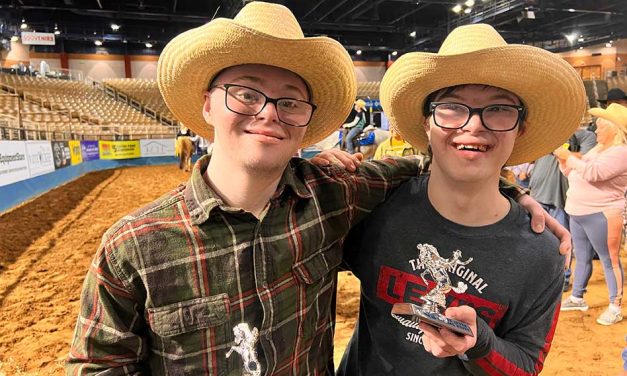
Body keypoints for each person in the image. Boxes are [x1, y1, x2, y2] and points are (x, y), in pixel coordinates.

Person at [65, 4, 567, 374]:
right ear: (207, 105)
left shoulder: (333, 197)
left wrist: (514, 192)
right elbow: (98, 366)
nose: (268, 112)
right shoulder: (134, 243)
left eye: (290, 101)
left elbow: (451, 158)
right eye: (245, 93)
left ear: (305, 121)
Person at [336, 24, 586, 375]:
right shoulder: (375, 209)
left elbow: (526, 364)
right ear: (427, 123)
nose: (473, 125)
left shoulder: (543, 253)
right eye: (452, 107)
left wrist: (478, 342)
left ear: (521, 128)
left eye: (498, 109)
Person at [556, 103, 627, 325]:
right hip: (579, 212)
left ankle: (615, 305)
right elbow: (572, 171)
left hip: (603, 214)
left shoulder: (621, 152)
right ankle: (577, 296)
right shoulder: (598, 149)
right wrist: (563, 159)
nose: (595, 131)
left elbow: (593, 173)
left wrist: (569, 156)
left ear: (613, 129)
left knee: (610, 260)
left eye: (600, 127)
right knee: (583, 257)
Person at [529, 123, 597, 291]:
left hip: (560, 197)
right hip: (537, 193)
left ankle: (563, 279)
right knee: (534, 240)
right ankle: (540, 279)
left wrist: (563, 151)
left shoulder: (586, 137)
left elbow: (587, 161)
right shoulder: (546, 133)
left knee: (562, 241)